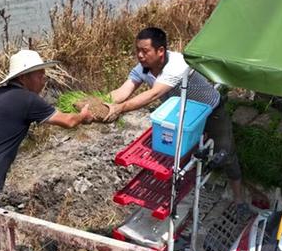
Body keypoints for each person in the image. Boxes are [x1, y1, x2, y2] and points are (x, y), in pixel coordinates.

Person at [103, 26, 245, 203]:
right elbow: (124, 91)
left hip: (210, 112)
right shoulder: (144, 67)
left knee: (225, 153)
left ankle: (239, 198)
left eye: (145, 51)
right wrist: (100, 104)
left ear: (160, 51)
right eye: (137, 50)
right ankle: (179, 194)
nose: (139, 56)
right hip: (181, 118)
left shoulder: (177, 64)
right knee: (179, 156)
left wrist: (121, 108)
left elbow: (153, 94)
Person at [0, 49, 93, 207]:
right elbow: (69, 121)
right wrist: (83, 115)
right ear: (24, 77)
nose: (43, 79)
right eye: (39, 75)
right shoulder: (27, 99)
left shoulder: (0, 93)